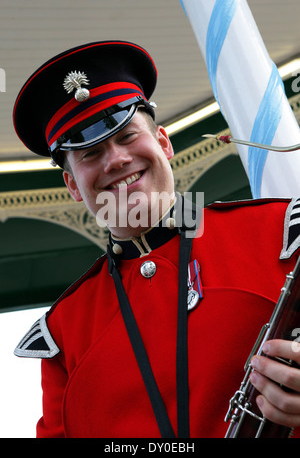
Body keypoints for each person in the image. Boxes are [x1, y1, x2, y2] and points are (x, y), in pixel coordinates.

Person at [13, 40, 300, 438]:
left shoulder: (280, 232)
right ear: (72, 186)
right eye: (90, 155)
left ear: (163, 143)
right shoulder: (64, 333)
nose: (115, 160)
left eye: (128, 137)